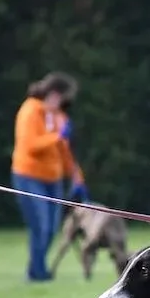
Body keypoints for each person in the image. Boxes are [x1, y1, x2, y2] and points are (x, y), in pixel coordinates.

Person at [11, 72, 88, 282]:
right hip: (28, 175)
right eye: (63, 98)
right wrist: (56, 136)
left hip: (53, 179)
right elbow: (30, 146)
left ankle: (36, 269)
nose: (64, 103)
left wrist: (76, 176)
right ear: (53, 94)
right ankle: (37, 272)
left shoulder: (59, 117)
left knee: (52, 228)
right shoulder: (30, 111)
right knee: (40, 225)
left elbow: (65, 152)